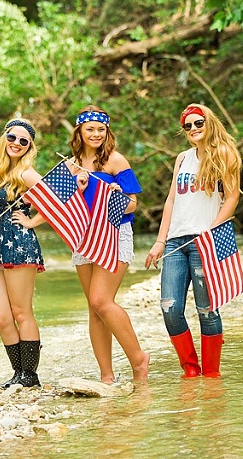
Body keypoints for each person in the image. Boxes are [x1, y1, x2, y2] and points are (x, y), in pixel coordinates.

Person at [144, 103, 241, 378]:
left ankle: (211, 376)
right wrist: (160, 241)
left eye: (198, 123)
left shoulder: (224, 153)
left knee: (207, 310)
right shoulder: (182, 158)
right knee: (170, 308)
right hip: (176, 241)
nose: (193, 129)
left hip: (206, 239)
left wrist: (211, 231)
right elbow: (172, 199)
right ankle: (190, 371)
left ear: (209, 123)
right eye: (188, 126)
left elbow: (232, 197)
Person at [68, 105, 150, 383]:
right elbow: (64, 209)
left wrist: (115, 195)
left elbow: (132, 205)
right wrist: (76, 189)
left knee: (101, 300)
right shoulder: (70, 166)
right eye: (90, 129)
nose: (96, 134)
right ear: (79, 130)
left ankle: (138, 359)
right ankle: (106, 375)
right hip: (84, 237)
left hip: (114, 235)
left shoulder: (116, 161)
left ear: (107, 131)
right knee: (93, 308)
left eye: (101, 129)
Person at [0, 118, 46, 389]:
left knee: (21, 311)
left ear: (29, 146)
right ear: (4, 138)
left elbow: (60, 202)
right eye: (12, 138)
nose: (16, 144)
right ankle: (17, 373)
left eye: (23, 141)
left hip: (19, 244)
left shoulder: (27, 174)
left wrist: (31, 221)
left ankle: (30, 375)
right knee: (1, 316)